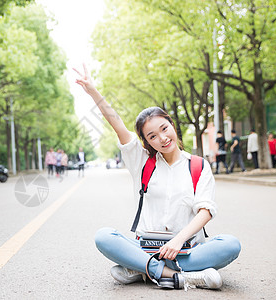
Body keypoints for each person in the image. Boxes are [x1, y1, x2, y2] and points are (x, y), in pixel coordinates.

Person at [74, 64, 240, 290]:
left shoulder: (198, 166)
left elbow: (206, 211)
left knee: (230, 244)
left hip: (187, 248)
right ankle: (179, 276)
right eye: (152, 136)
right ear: (146, 142)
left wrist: (178, 240)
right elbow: (117, 124)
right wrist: (93, 91)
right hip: (145, 248)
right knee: (104, 237)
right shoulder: (142, 163)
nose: (162, 138)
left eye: (164, 128)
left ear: (172, 124)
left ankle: (142, 270)